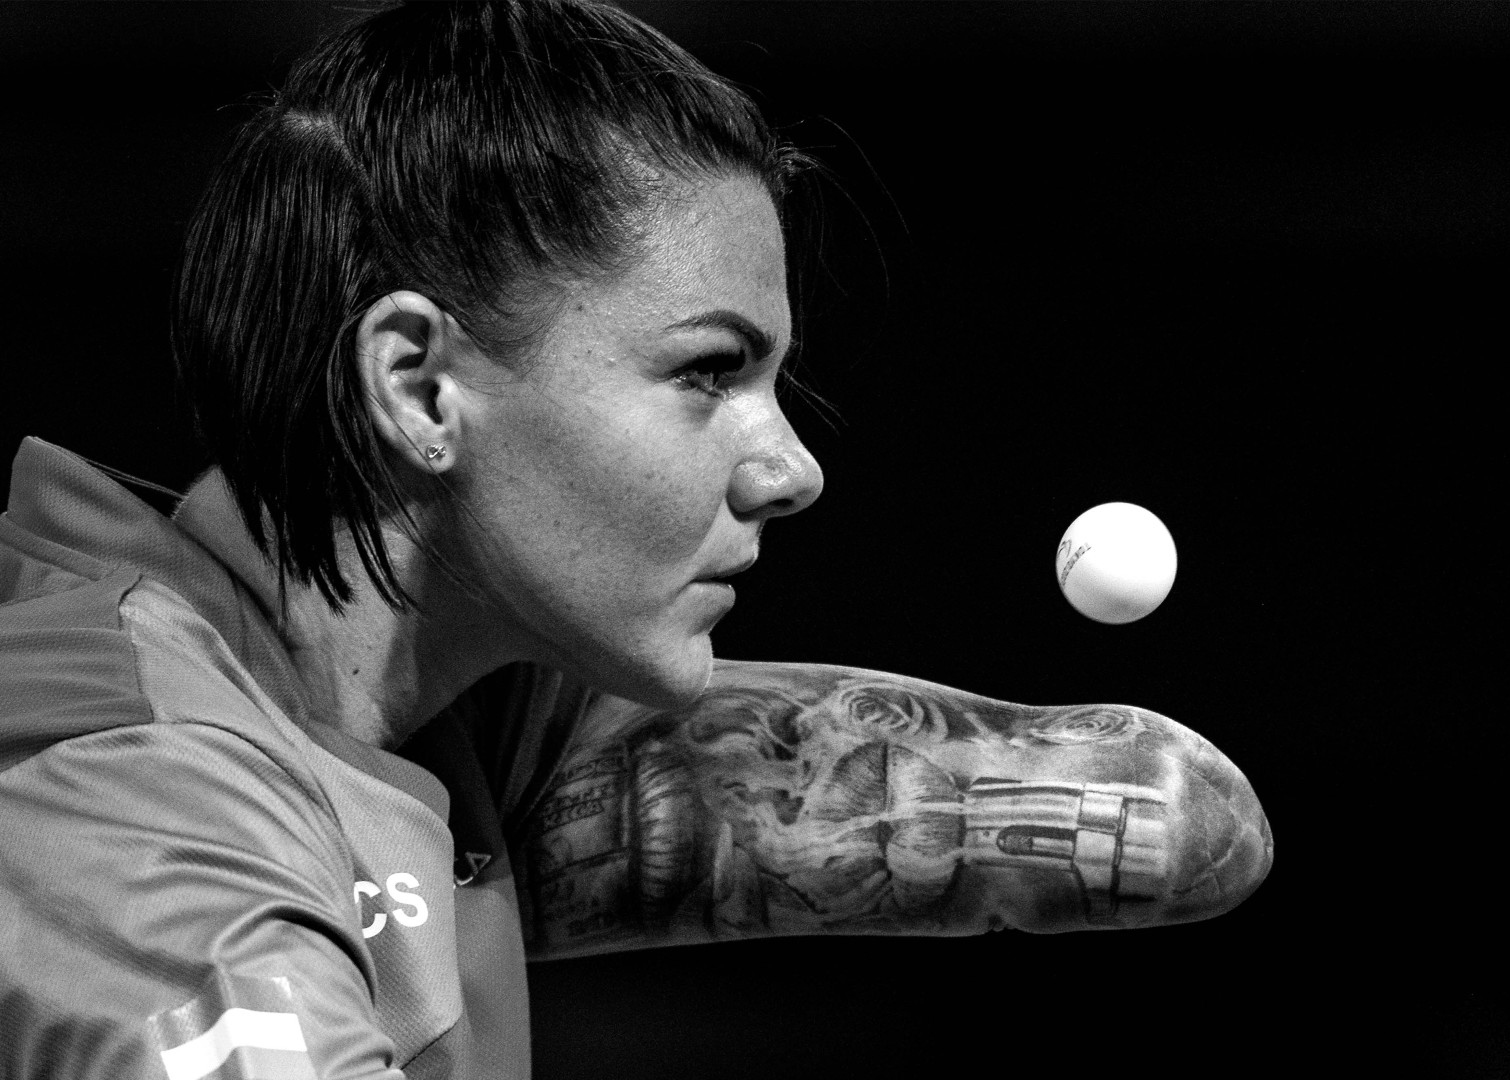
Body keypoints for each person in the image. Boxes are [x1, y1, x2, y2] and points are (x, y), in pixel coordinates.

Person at [0, 2, 1272, 1077]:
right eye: (709, 372)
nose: (794, 470)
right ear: (421, 387)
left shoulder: (445, 713)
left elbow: (1179, 821)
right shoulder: (126, 791)